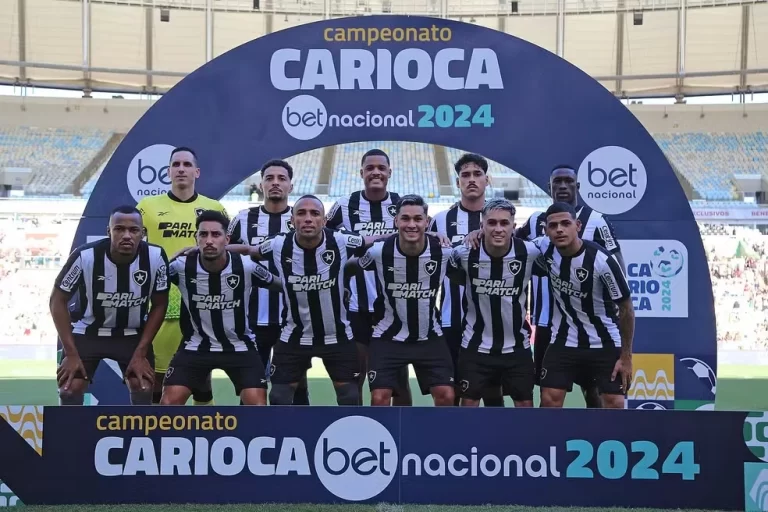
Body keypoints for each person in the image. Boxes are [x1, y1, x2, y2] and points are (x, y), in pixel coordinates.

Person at [235, 195, 383, 407]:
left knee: (350, 397)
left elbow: (373, 240)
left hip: (337, 335)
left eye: (315, 214)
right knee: (278, 397)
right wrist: (200, 250)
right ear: (292, 220)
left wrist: (417, 233)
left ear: (323, 221)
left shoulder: (340, 240)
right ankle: (288, 438)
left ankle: (349, 439)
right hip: (294, 336)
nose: (308, 219)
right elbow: (250, 251)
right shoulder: (278, 244)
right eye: (301, 213)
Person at [516, 164, 625, 408]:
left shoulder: (596, 220)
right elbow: (513, 248)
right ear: (549, 187)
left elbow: (617, 263)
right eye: (557, 182)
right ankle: (547, 444)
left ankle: (594, 441)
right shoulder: (536, 221)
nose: (563, 186)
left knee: (595, 392)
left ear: (577, 186)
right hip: (547, 324)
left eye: (568, 181)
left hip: (592, 326)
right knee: (548, 396)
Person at [161, 210, 282, 406]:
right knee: (168, 403)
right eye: (203, 234)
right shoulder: (182, 267)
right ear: (196, 239)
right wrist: (174, 256)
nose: (209, 240)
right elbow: (152, 282)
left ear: (226, 239)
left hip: (239, 346)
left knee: (258, 407)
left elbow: (283, 286)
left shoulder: (246, 267)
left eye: (215, 235)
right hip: (196, 346)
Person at [51, 205, 169, 406]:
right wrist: (70, 353)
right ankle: (72, 435)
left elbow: (159, 304)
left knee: (143, 386)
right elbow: (57, 300)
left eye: (133, 230)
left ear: (143, 233)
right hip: (88, 332)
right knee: (69, 390)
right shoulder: (85, 257)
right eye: (119, 229)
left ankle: (140, 436)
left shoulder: (156, 257)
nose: (126, 235)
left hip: (132, 334)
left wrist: (142, 351)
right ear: (109, 232)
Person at [136, 146, 228, 406]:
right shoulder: (147, 207)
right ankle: (156, 432)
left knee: (202, 376)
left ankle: (205, 436)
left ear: (196, 172)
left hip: (201, 302)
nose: (181, 169)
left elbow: (227, 250)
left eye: (187, 165)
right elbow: (133, 247)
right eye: (176, 164)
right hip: (161, 302)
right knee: (157, 376)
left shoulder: (214, 208)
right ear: (168, 172)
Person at [350, 195, 456, 407]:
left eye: (418, 219)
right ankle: (382, 439)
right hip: (388, 337)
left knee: (446, 395)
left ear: (427, 222)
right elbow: (351, 267)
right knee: (380, 398)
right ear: (396, 221)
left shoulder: (444, 252)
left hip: (429, 335)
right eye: (405, 218)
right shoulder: (379, 252)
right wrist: (343, 290)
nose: (411, 224)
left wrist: (477, 232)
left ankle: (443, 439)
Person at [325, 148, 412, 406]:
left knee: (398, 379)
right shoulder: (343, 205)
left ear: (389, 173)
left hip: (395, 305)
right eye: (370, 168)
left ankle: (402, 434)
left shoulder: (402, 205)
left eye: (381, 168)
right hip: (355, 306)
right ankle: (357, 429)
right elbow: (324, 241)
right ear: (361, 172)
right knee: (356, 375)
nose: (376, 172)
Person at [534, 202, 634, 409]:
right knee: (549, 399)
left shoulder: (601, 261)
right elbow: (507, 240)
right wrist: (478, 233)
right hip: (564, 339)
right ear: (546, 231)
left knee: (614, 403)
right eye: (553, 226)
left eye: (565, 223)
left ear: (577, 226)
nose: (559, 229)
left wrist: (626, 357)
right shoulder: (542, 248)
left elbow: (626, 309)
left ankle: (605, 442)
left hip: (604, 341)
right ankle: (551, 441)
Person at [228, 159, 310, 406]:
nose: (275, 183)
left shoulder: (303, 218)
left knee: (296, 387)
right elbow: (222, 251)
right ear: (261, 184)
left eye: (281, 179)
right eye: (269, 178)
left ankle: (302, 438)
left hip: (294, 319)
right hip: (252, 318)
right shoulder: (243, 218)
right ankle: (250, 439)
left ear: (290, 186)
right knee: (252, 388)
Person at [428, 152, 504, 407]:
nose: (471, 180)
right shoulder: (440, 220)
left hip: (494, 323)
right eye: (465, 175)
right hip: (452, 320)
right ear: (458, 181)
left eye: (477, 174)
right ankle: (451, 446)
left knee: (494, 394)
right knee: (454, 394)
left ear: (487, 180)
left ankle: (497, 446)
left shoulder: (501, 221)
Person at [449, 199, 538, 407]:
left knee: (526, 410)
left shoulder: (531, 253)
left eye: (504, 223)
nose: (498, 229)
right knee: (468, 409)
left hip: (517, 347)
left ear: (513, 227)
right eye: (492, 223)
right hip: (475, 347)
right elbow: (444, 260)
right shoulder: (464, 253)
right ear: (481, 226)